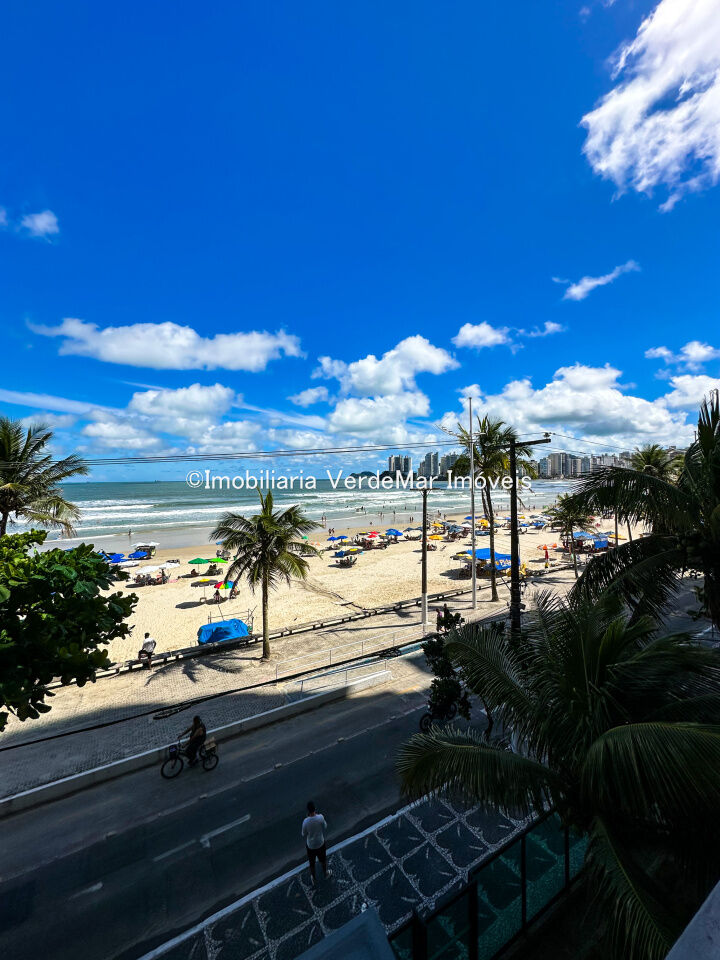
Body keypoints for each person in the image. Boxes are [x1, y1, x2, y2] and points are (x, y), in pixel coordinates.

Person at [302, 801, 330, 887]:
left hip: (311, 846)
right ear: (315, 809)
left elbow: (303, 834)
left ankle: (314, 878)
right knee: (323, 860)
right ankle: (326, 873)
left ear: (308, 810)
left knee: (312, 863)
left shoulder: (305, 821)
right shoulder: (320, 817)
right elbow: (325, 826)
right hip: (320, 843)